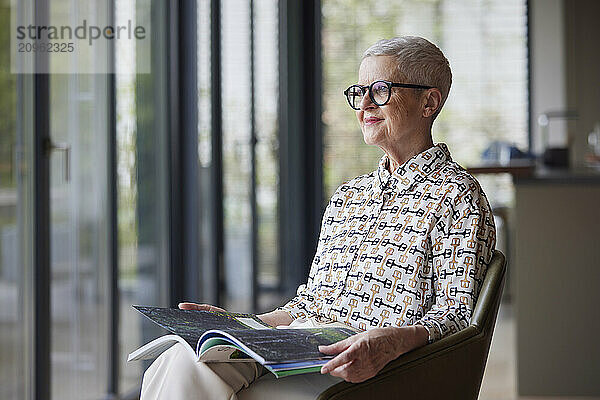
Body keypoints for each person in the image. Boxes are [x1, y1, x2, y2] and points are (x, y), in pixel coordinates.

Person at [140, 36, 496, 399]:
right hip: (304, 345)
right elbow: (309, 305)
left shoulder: (458, 196)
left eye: (381, 90)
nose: (365, 105)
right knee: (180, 358)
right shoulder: (348, 196)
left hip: (383, 365)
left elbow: (457, 317)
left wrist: (389, 342)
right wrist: (236, 325)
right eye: (360, 92)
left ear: (428, 102)